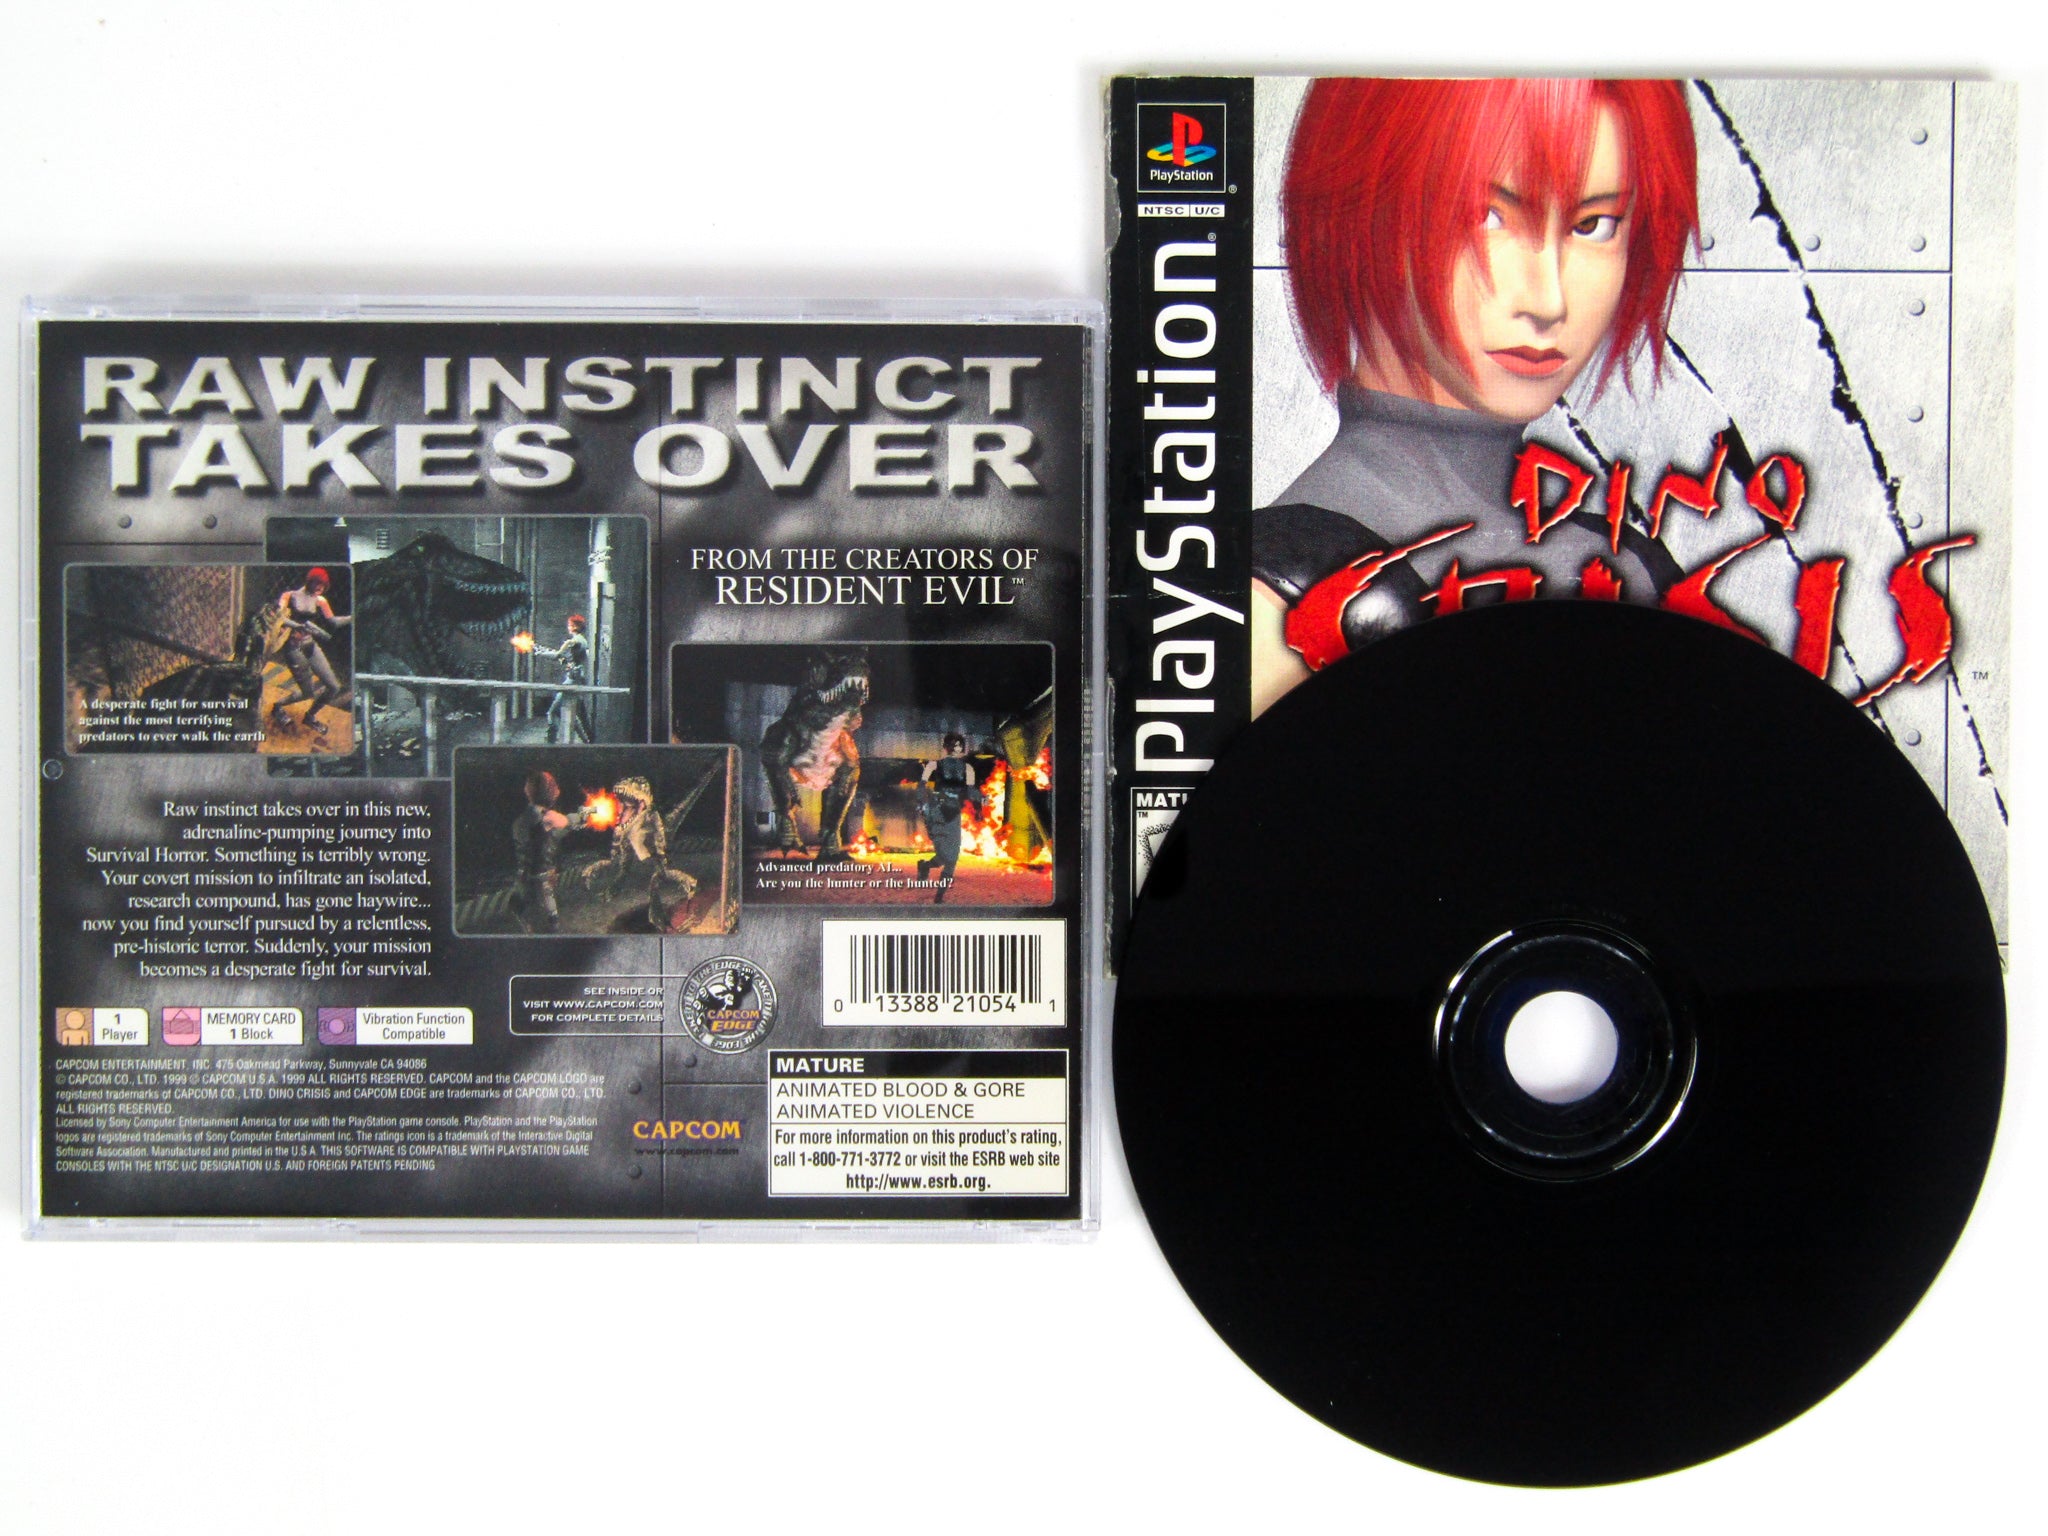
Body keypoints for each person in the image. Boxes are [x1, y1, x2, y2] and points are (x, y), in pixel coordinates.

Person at [1251, 78, 1700, 713]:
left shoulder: (1626, 560)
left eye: (1593, 225)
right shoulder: (1283, 600)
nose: (1548, 300)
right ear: (1359, 213)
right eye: (1484, 216)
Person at [272, 567, 353, 735]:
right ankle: (278, 707)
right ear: (310, 582)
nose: (320, 588)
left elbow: (333, 622)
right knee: (307, 693)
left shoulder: (320, 601)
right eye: (317, 584)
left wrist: (352, 617)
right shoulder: (289, 596)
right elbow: (279, 617)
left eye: (323, 585)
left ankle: (310, 716)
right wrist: (297, 626)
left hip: (310, 645)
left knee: (333, 687)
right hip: (293, 648)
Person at [511, 770, 588, 934]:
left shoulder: (521, 820)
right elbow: (568, 821)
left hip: (522, 880)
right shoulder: (547, 816)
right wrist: (584, 815)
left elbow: (543, 838)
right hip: (540, 882)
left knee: (525, 918)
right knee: (550, 925)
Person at [916, 732, 979, 903]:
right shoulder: (933, 765)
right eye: (953, 745)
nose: (956, 748)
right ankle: (925, 866)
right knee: (944, 855)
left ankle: (939, 896)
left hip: (953, 813)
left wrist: (981, 797)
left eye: (959, 745)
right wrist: (922, 804)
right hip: (937, 811)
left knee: (952, 858)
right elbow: (921, 786)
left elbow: (971, 792)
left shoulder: (968, 768)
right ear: (946, 747)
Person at [530, 614, 592, 743]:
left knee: (552, 712)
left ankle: (551, 742)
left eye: (570, 625)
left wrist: (540, 653)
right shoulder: (582, 641)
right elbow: (567, 659)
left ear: (575, 627)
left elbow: (556, 655)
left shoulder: (572, 642)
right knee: (573, 715)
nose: (568, 627)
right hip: (577, 678)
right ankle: (587, 741)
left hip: (572, 680)